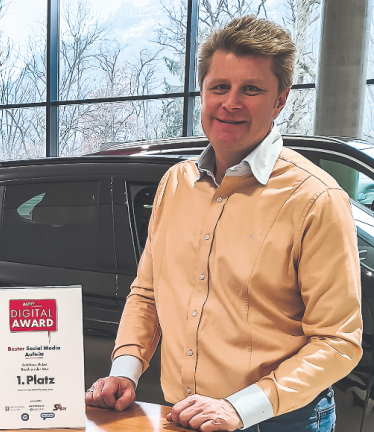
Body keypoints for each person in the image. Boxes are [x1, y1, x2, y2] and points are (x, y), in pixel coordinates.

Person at [85, 16, 362, 432]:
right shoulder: (176, 184)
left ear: (280, 100)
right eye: (219, 87)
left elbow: (338, 342)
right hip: (184, 413)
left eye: (251, 89)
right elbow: (148, 294)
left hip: (278, 420)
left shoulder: (315, 198)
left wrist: (239, 408)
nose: (230, 103)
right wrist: (126, 370)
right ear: (202, 92)